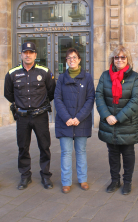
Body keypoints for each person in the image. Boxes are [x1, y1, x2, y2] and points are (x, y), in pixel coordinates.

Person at [4, 42, 56, 190]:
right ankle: (25, 176)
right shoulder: (12, 73)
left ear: (35, 55)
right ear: (21, 54)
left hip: (40, 116)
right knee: (23, 147)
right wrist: (19, 104)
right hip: (22, 117)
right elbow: (8, 93)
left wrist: (41, 104)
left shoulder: (44, 72)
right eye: (25, 52)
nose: (28, 55)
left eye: (31, 52)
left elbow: (51, 91)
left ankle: (46, 176)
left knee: (44, 147)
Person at [96, 45, 138, 195]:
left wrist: (119, 117)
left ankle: (127, 181)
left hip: (127, 123)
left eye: (123, 57)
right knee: (113, 153)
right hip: (110, 122)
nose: (120, 60)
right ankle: (115, 180)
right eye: (117, 57)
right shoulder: (105, 76)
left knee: (128, 153)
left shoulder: (135, 77)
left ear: (127, 59)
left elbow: (136, 99)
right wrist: (107, 116)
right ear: (113, 59)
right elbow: (99, 96)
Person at [54, 48, 95, 194]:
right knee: (65, 152)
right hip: (64, 122)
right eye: (69, 58)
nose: (72, 60)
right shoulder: (61, 78)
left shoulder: (87, 78)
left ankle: (82, 179)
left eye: (74, 57)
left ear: (79, 60)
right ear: (66, 61)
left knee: (81, 151)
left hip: (81, 122)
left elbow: (90, 99)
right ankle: (66, 182)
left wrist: (78, 118)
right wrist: (67, 118)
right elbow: (57, 99)